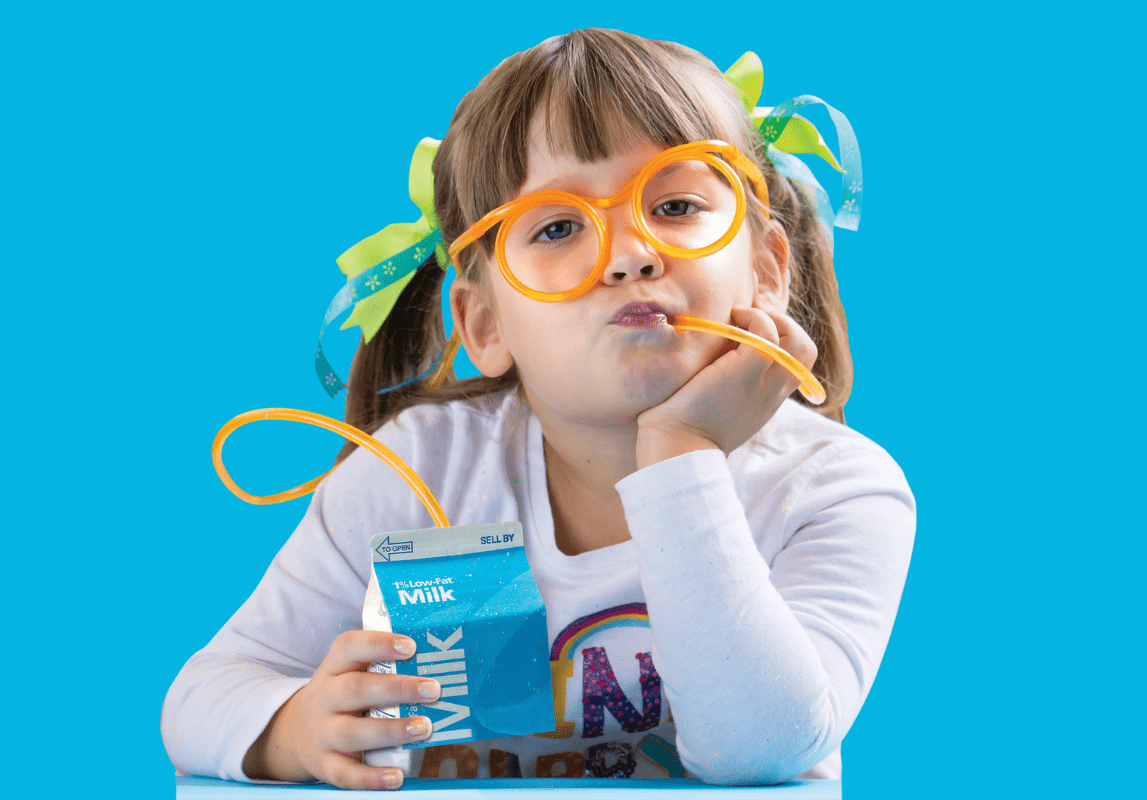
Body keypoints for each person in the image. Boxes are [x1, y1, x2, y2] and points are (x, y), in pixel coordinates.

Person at [162, 28, 915, 791]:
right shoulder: (419, 473)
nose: (629, 254)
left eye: (678, 204)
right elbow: (201, 696)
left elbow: (760, 752)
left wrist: (681, 451)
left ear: (765, 271)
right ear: (483, 324)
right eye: (557, 227)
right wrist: (292, 729)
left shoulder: (835, 489)